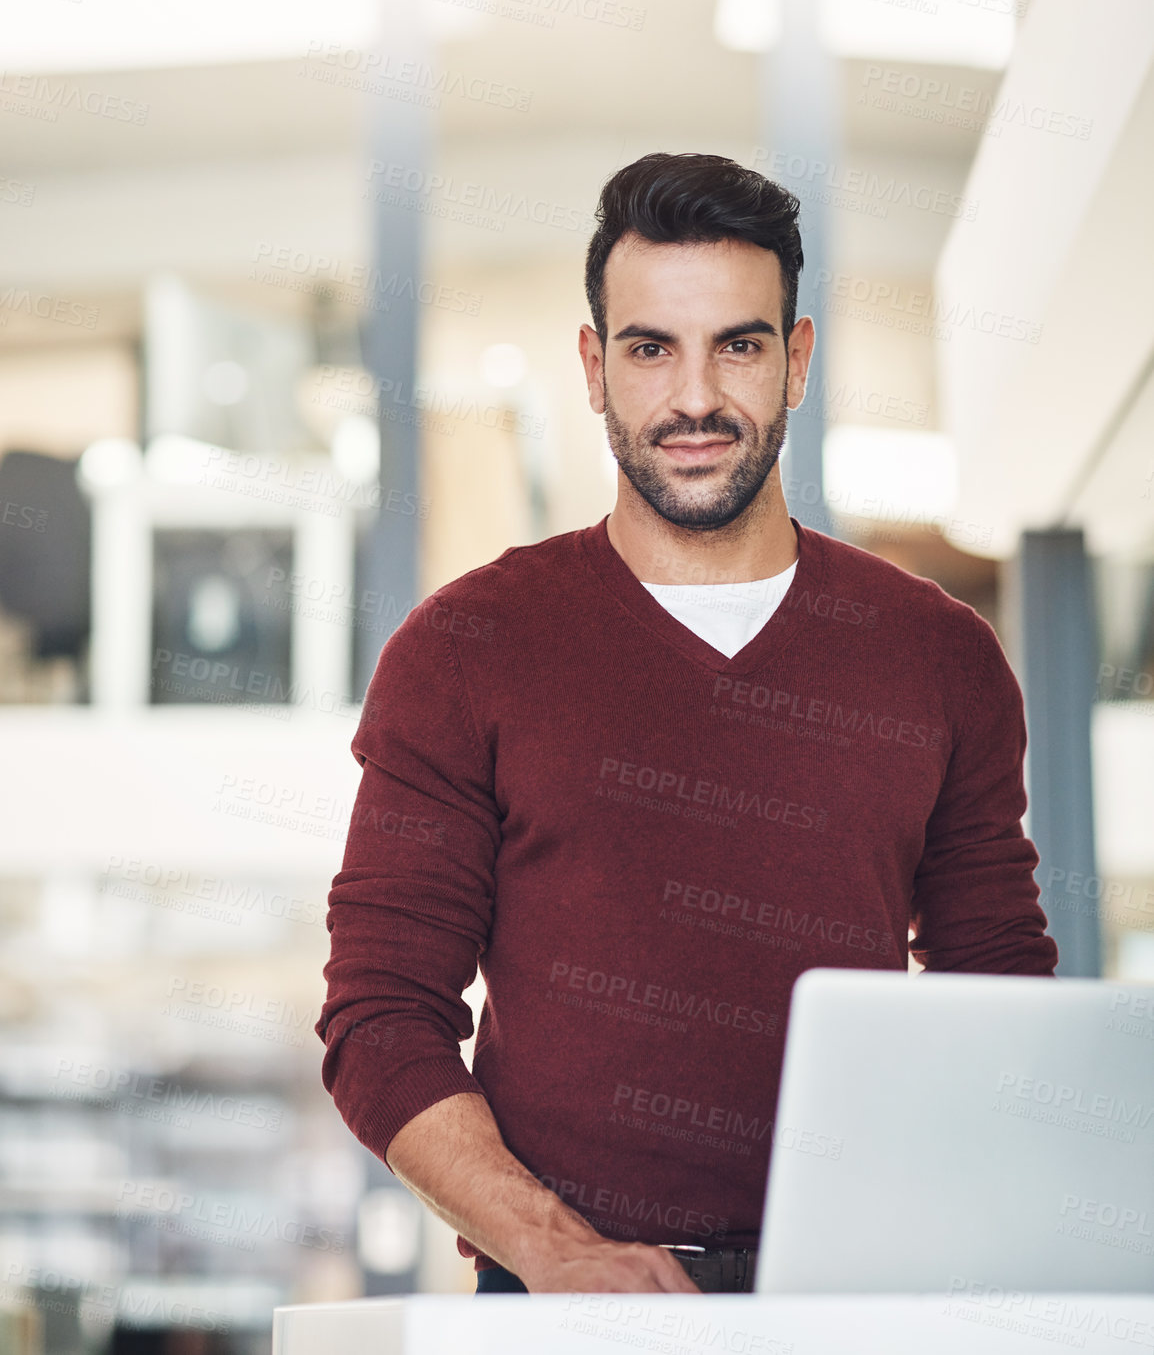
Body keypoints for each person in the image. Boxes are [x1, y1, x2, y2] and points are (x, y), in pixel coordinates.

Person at [316, 151, 1057, 1295]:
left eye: (739, 345)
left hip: (859, 1301)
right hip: (560, 1311)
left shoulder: (938, 655)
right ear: (593, 366)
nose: (695, 397)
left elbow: (994, 989)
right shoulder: (464, 650)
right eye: (649, 346)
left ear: (796, 361)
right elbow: (379, 1018)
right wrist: (557, 1252)